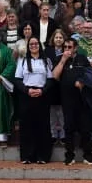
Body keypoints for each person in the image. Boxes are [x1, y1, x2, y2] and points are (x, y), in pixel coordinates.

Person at [53, 38, 92, 166]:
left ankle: (88, 155)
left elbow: (90, 75)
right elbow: (55, 76)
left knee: (85, 128)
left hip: (82, 98)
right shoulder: (60, 58)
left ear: (75, 48)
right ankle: (69, 156)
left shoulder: (82, 58)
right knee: (69, 127)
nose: (67, 49)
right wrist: (63, 60)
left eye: (69, 47)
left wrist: (82, 82)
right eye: (65, 47)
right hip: (67, 99)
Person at [15, 36, 53, 164]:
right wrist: (27, 90)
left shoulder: (46, 61)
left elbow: (50, 79)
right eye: (31, 44)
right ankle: (27, 156)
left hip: (42, 95)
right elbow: (18, 80)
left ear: (39, 45)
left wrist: (42, 91)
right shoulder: (23, 61)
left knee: (42, 126)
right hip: (27, 95)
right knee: (26, 126)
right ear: (28, 47)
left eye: (36, 43)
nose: (34, 46)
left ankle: (42, 156)